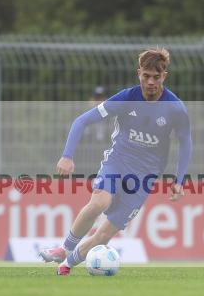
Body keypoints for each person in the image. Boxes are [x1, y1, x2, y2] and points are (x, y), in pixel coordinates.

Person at [40, 48, 192, 275]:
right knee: (99, 203)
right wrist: (67, 155)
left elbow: (186, 143)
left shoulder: (175, 108)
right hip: (118, 162)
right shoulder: (126, 98)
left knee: (105, 234)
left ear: (164, 76)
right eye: (146, 76)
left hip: (145, 176)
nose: (151, 82)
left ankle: (67, 264)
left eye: (156, 77)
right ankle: (64, 248)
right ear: (138, 73)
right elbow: (81, 121)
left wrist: (179, 180)